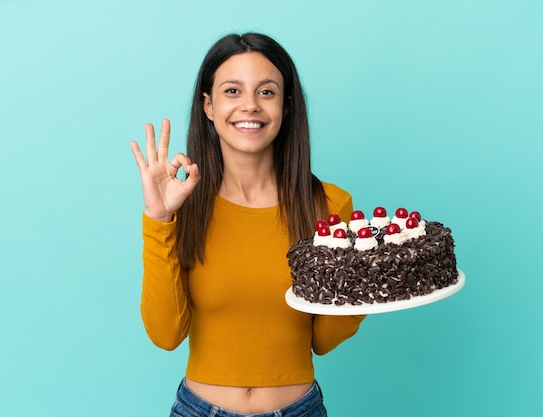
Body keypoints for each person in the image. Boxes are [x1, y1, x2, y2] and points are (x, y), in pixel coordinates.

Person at [130, 32, 366, 417]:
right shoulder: (182, 203)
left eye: (267, 92)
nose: (251, 106)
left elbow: (323, 340)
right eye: (233, 91)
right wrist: (159, 219)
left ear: (287, 106)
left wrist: (361, 284)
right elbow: (165, 334)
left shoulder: (329, 206)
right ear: (208, 105)